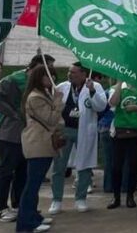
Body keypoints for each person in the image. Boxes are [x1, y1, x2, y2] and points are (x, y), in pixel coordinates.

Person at [0, 55, 54, 223]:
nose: (50, 74)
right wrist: (13, 113)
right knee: (6, 171)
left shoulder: (39, 85)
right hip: (11, 134)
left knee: (23, 172)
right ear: (36, 67)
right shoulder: (15, 79)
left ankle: (20, 207)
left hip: (28, 136)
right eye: (46, 69)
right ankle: (0, 209)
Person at [48, 62, 107, 214]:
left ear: (83, 74)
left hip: (85, 130)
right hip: (64, 130)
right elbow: (53, 106)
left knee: (85, 166)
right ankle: (56, 200)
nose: (69, 74)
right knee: (59, 166)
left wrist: (92, 91)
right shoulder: (62, 87)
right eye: (69, 71)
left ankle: (80, 199)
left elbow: (100, 107)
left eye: (73, 72)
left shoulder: (95, 86)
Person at [17, 64, 61, 233]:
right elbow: (51, 118)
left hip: (43, 143)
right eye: (48, 76)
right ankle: (25, 224)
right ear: (38, 78)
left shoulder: (42, 94)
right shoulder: (35, 97)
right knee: (32, 185)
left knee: (34, 184)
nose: (53, 79)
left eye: (53, 75)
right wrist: (58, 100)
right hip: (37, 144)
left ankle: (33, 217)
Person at [106, 77, 137, 209]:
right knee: (116, 166)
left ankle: (130, 196)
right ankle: (116, 197)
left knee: (134, 165)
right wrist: (119, 84)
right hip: (119, 132)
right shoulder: (116, 88)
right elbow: (112, 103)